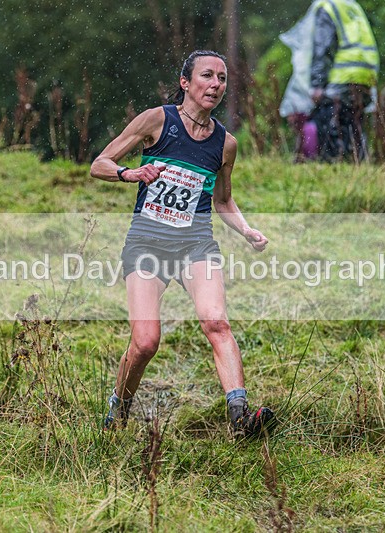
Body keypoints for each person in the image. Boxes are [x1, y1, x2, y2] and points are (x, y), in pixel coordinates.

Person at [90, 50, 275, 438]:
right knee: (145, 343)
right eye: (207, 76)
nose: (215, 85)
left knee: (217, 323)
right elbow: (99, 163)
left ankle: (240, 416)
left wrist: (247, 230)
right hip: (147, 244)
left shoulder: (226, 144)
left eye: (222, 79)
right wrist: (130, 173)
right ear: (185, 82)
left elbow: (223, 201)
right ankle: (119, 406)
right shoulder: (157, 120)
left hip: (195, 244)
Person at [279, 0, 379, 162]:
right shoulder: (352, 6)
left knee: (329, 124)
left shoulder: (328, 7)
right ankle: (356, 164)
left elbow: (322, 47)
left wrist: (317, 85)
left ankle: (332, 165)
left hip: (343, 75)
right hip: (365, 76)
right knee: (353, 125)